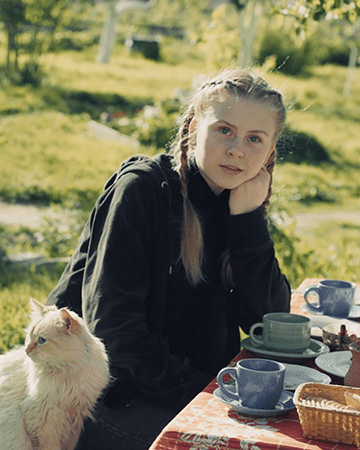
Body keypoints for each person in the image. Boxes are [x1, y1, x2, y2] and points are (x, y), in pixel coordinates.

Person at [46, 68, 291, 450]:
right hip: (98, 400)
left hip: (186, 394)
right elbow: (114, 331)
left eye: (254, 139)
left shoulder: (236, 201)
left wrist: (248, 224)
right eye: (224, 130)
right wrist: (206, 397)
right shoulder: (143, 190)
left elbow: (269, 321)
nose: (237, 150)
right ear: (194, 129)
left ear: (270, 152)